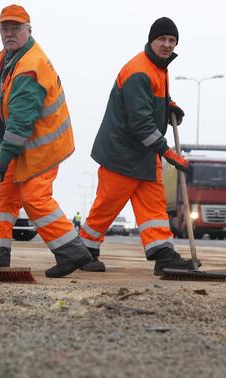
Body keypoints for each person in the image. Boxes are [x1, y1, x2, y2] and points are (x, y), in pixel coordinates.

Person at [0, 4, 99, 278]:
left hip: (41, 147)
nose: (9, 33)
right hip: (21, 146)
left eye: (16, 28)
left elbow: (21, 122)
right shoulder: (11, 57)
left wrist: (3, 160)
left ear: (29, 30)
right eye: (5, 28)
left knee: (34, 198)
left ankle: (74, 253)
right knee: (1, 198)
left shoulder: (29, 68)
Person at [79, 17, 198, 275]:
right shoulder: (139, 71)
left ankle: (163, 254)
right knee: (106, 205)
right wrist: (167, 152)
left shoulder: (158, 68)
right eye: (162, 39)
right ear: (151, 40)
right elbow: (140, 122)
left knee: (154, 207)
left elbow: (151, 101)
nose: (167, 44)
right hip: (121, 153)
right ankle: (83, 251)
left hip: (143, 153)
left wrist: (169, 106)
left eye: (171, 40)